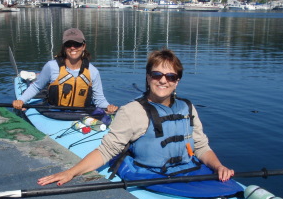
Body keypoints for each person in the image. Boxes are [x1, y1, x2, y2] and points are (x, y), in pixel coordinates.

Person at [38, 49, 234, 187]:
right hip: (150, 176)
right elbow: (107, 151)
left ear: (177, 81)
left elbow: (200, 146)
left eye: (170, 76)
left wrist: (218, 167)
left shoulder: (187, 108)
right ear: (148, 78)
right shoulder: (133, 111)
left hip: (187, 171)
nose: (163, 80)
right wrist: (71, 172)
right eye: (157, 75)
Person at [13, 28, 118, 114]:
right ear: (64, 47)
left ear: (83, 46)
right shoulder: (51, 66)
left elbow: (99, 99)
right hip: (53, 113)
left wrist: (108, 107)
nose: (73, 48)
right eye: (69, 44)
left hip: (81, 114)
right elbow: (36, 87)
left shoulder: (93, 71)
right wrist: (21, 100)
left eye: (77, 44)